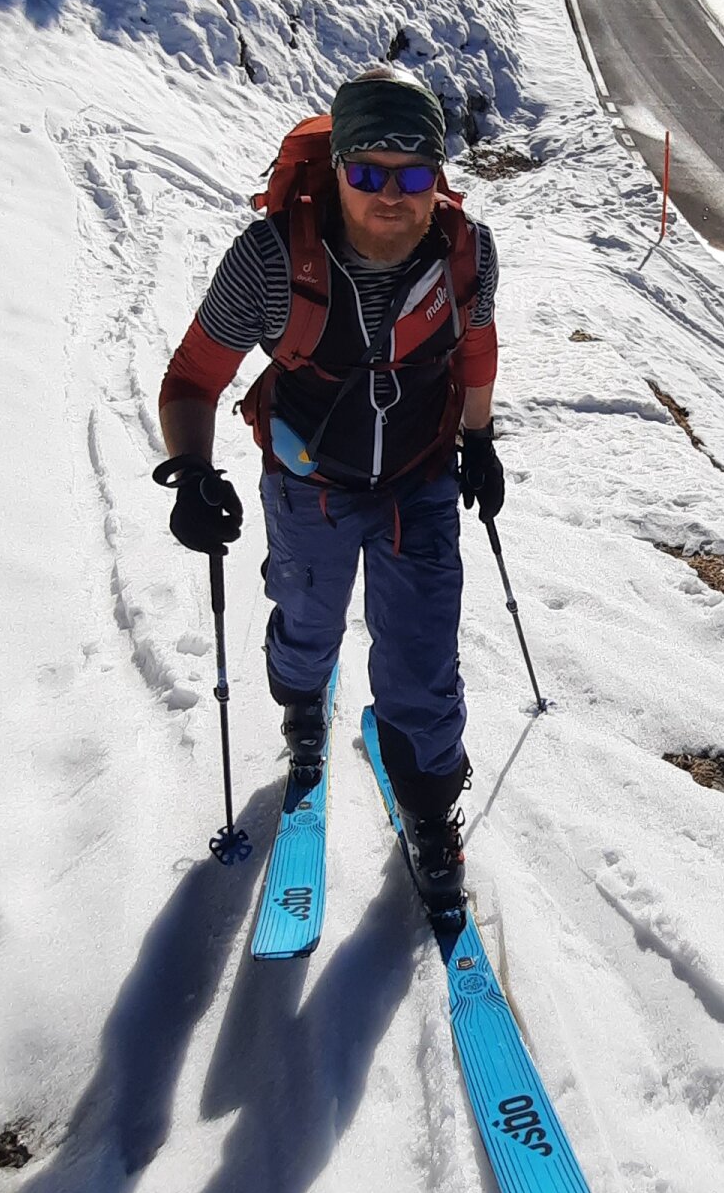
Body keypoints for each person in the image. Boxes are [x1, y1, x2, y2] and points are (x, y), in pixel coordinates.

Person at [154, 65, 507, 928]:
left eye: (414, 173)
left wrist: (479, 440)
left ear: (438, 177)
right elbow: (194, 376)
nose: (392, 194)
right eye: (368, 172)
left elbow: (475, 349)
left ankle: (430, 812)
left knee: (423, 659)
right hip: (308, 483)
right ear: (338, 168)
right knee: (307, 623)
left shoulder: (467, 253)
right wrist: (191, 472)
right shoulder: (272, 260)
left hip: (419, 480)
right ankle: (302, 702)